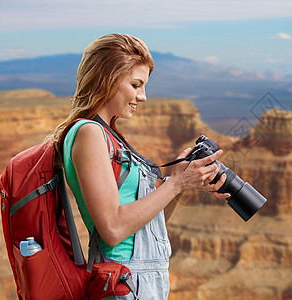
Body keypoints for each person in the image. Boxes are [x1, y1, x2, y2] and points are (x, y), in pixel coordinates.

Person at [46, 33, 230, 299]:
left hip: (142, 280)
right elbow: (112, 229)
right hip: (124, 282)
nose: (143, 96)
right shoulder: (89, 134)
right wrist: (177, 183)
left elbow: (149, 225)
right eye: (135, 84)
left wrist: (177, 184)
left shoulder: (109, 135)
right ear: (107, 79)